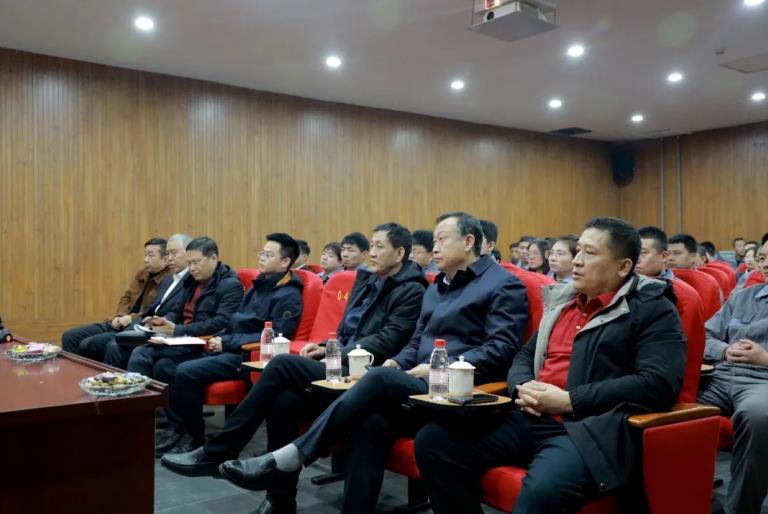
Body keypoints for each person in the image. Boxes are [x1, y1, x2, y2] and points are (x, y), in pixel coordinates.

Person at [212, 212, 529, 514]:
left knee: (375, 378)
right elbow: (416, 343)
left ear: (469, 241)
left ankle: (294, 455)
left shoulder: (503, 284)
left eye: (442, 240)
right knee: (363, 420)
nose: (434, 248)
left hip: (457, 392)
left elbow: (501, 349)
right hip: (418, 387)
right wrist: (396, 362)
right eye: (434, 240)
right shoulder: (439, 286)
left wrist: (440, 367)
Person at [414, 217, 686, 514]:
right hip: (530, 414)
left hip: (587, 428)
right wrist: (521, 386)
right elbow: (524, 356)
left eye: (589, 253)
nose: (577, 261)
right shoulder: (564, 302)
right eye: (578, 251)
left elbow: (658, 383)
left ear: (623, 267)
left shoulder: (653, 309)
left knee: (540, 493)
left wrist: (570, 401)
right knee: (435, 442)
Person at [161, 223, 429, 514]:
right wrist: (326, 347)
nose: (371, 252)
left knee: (282, 363)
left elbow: (388, 339)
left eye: (379, 247)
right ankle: (280, 501)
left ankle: (220, 450)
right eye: (372, 245)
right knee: (283, 402)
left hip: (363, 371)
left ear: (399, 253)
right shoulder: (366, 279)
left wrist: (333, 353)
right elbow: (345, 330)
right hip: (339, 362)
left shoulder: (412, 289)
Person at [155, 233, 304, 455]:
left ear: (284, 262)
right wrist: (219, 337)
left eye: (268, 255)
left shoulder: (288, 294)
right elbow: (235, 321)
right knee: (164, 366)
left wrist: (225, 342)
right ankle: (180, 430)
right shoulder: (258, 286)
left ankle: (196, 440)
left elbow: (274, 337)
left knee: (185, 371)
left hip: (246, 356)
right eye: (261, 253)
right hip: (229, 346)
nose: (261, 258)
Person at [698, 239, 768, 514]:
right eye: (762, 258)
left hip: (762, 381)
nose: (765, 264)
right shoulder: (742, 297)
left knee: (758, 415)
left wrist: (764, 359)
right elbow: (703, 336)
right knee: (661, 396)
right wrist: (725, 350)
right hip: (720, 374)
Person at [125, 237, 243, 379]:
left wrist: (179, 330)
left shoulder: (230, 285)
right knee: (147, 355)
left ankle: (134, 392)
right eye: (189, 263)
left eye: (196, 263)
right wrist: (164, 321)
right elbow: (177, 310)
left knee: (143, 353)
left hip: (200, 341)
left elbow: (221, 322)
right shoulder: (192, 280)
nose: (191, 268)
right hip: (182, 336)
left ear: (213, 258)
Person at [62, 238, 172, 361]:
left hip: (137, 325)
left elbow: (154, 310)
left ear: (165, 258)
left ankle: (96, 373)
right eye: (145, 255)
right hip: (120, 321)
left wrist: (131, 318)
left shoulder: (169, 279)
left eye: (150, 255)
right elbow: (126, 297)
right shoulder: (143, 273)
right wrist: (120, 315)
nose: (145, 259)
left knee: (90, 343)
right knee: (70, 336)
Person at [103, 233, 192, 369]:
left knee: (114, 345)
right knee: (109, 342)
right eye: (168, 253)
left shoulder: (191, 279)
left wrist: (156, 321)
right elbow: (153, 306)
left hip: (164, 328)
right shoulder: (169, 279)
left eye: (174, 253)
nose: (170, 258)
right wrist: (144, 319)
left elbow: (178, 312)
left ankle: (119, 381)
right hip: (145, 323)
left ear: (189, 253)